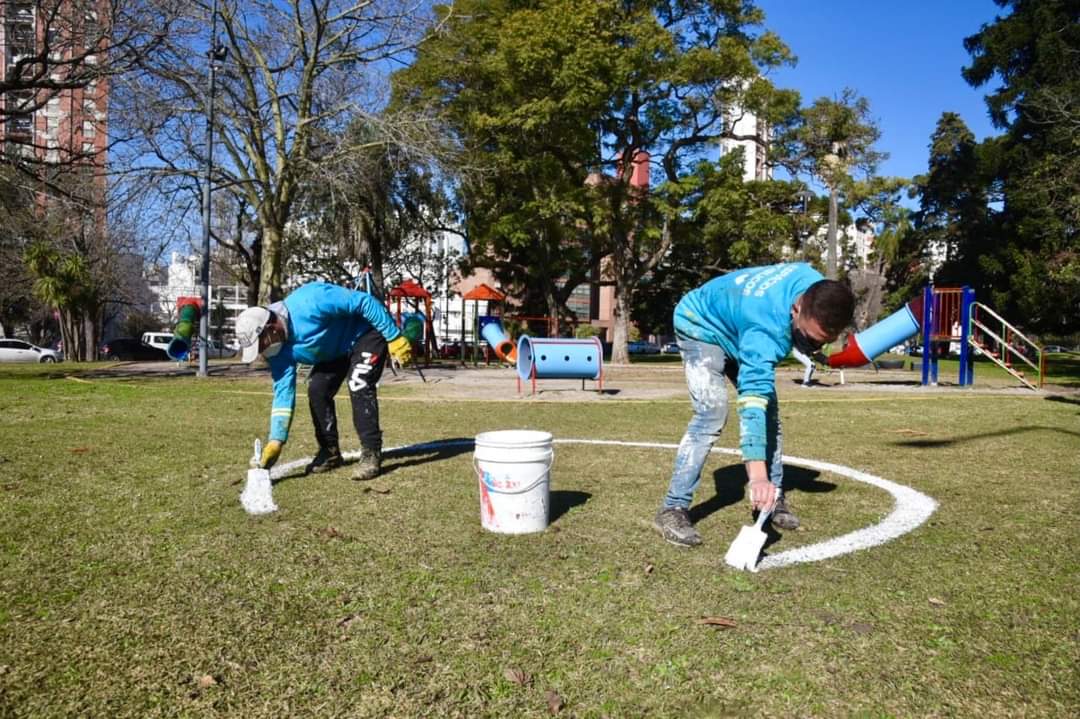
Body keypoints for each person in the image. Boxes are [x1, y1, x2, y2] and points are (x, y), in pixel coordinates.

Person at [654, 263, 855, 547]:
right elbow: (751, 403)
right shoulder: (766, 329)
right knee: (712, 412)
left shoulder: (817, 287)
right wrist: (757, 476)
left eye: (821, 344)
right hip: (700, 323)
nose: (812, 349)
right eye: (806, 340)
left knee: (771, 416)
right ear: (796, 308)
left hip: (739, 326)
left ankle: (772, 499)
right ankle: (672, 508)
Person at [236, 281, 415, 481]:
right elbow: (283, 394)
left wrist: (393, 337)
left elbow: (364, 302)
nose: (261, 351)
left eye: (260, 344)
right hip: (335, 352)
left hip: (365, 334)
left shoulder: (311, 299)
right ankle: (330, 452)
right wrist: (276, 441)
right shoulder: (277, 353)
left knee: (359, 382)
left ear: (270, 327)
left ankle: (371, 453)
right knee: (317, 390)